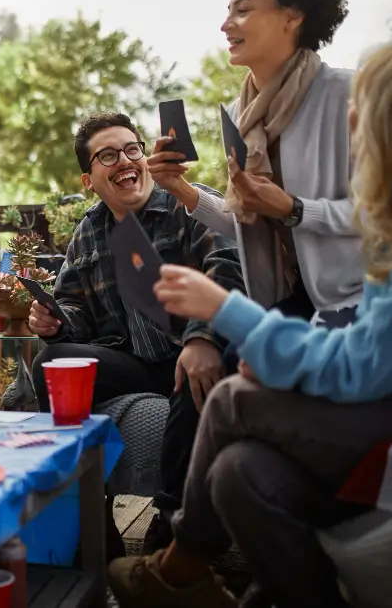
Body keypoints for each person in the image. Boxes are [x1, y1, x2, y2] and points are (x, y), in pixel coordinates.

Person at [108, 42, 392, 608]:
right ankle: (241, 588)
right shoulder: (249, 116)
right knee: (239, 472)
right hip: (325, 330)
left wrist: (220, 314)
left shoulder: (328, 100)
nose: (352, 119)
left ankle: (176, 563)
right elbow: (246, 228)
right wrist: (190, 192)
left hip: (353, 366)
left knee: (232, 397)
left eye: (364, 108)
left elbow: (361, 367)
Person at [28, 113, 245, 554]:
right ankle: (92, 519)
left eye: (131, 149)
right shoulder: (89, 231)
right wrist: (54, 321)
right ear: (89, 180)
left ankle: (168, 534)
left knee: (193, 377)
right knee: (51, 362)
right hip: (138, 363)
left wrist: (201, 338)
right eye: (108, 156)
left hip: (197, 350)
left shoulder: (190, 204)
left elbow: (229, 272)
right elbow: (76, 311)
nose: (125, 161)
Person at [149, 0, 359, 334]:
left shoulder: (350, 95)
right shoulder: (239, 113)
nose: (226, 25)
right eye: (228, 12)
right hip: (289, 298)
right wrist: (181, 189)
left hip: (362, 301)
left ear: (293, 15)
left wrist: (296, 210)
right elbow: (248, 223)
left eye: (243, 10)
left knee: (242, 380)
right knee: (211, 380)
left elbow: (381, 216)